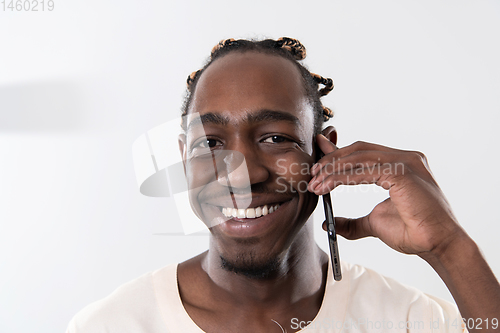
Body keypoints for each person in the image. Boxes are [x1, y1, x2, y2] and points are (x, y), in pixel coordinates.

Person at [66, 37, 500, 333]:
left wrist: (450, 248)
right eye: (211, 143)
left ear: (324, 150)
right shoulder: (113, 324)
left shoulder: (406, 319)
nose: (243, 174)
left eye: (275, 138)